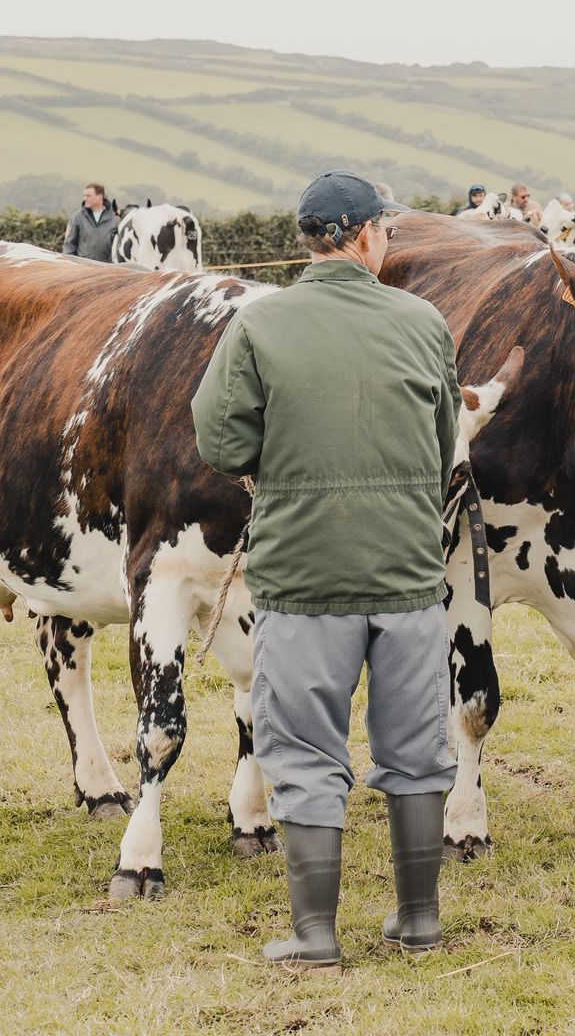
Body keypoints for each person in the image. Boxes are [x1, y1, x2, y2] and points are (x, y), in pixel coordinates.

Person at [192, 171, 460, 970]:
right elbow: (444, 439)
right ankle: (419, 921)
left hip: (302, 574)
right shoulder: (423, 322)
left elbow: (220, 440)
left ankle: (314, 935)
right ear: (367, 234)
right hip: (410, 570)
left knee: (305, 751)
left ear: (311, 238)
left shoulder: (258, 324)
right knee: (416, 746)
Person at [62, 182, 120, 262]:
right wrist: (70, 265)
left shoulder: (115, 218)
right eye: (84, 196)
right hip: (83, 269)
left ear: (99, 197)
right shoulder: (77, 217)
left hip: (108, 269)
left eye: (88, 196)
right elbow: (69, 245)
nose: (84, 199)